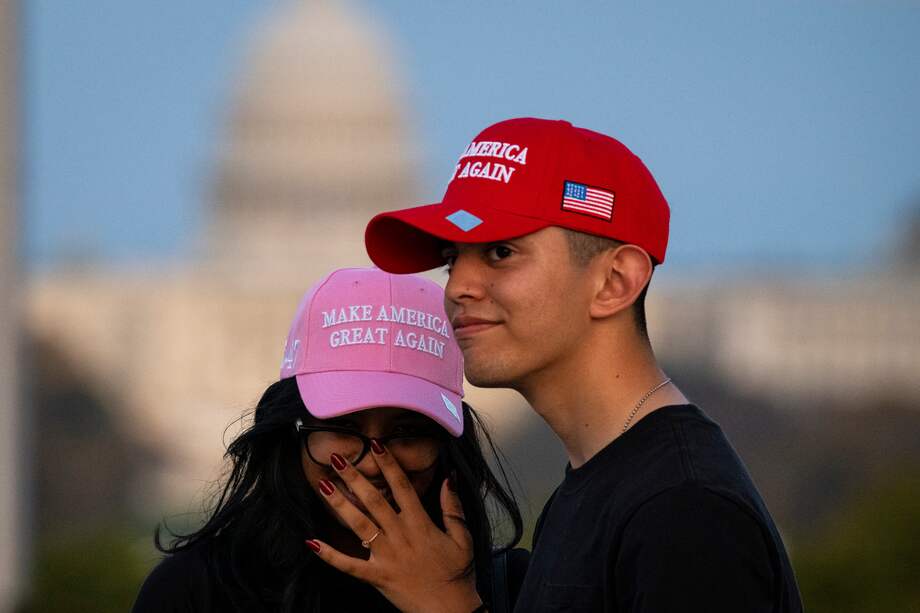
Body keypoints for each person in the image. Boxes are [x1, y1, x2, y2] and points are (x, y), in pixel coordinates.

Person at [358, 117, 804, 612]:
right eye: (451, 259)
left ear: (615, 281)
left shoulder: (686, 511)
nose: (457, 287)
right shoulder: (599, 484)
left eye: (501, 252)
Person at [131, 267, 528, 613]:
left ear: (448, 445)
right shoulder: (197, 591)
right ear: (290, 430)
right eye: (342, 427)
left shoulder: (516, 587)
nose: (374, 463)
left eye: (407, 433)